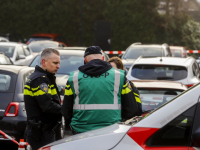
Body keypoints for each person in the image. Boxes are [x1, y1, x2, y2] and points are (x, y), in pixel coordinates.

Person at [62, 46, 142, 135]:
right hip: (111, 129)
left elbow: (66, 109)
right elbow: (131, 107)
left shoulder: (74, 77)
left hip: (81, 130)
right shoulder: (119, 76)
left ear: (85, 60)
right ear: (103, 58)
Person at [24, 48, 62, 150]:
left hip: (43, 131)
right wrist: (66, 110)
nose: (58, 66)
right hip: (41, 133)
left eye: (59, 63)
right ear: (43, 62)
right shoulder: (40, 79)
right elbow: (47, 106)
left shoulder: (45, 78)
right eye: (55, 63)